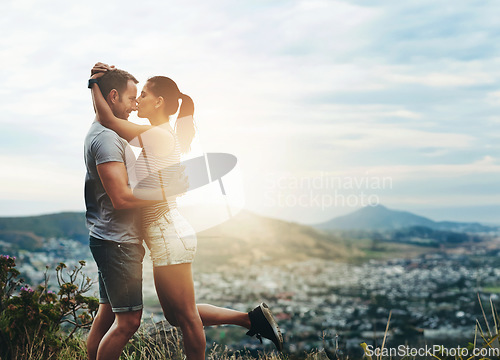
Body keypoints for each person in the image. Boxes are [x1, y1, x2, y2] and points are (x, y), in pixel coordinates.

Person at [89, 63, 284, 360]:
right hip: (165, 234)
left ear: (159, 102)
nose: (138, 100)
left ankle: (249, 321)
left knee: (187, 318)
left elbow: (107, 119)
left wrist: (93, 83)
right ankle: (251, 319)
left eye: (143, 94)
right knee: (179, 315)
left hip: (167, 233)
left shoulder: (157, 135)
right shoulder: (158, 133)